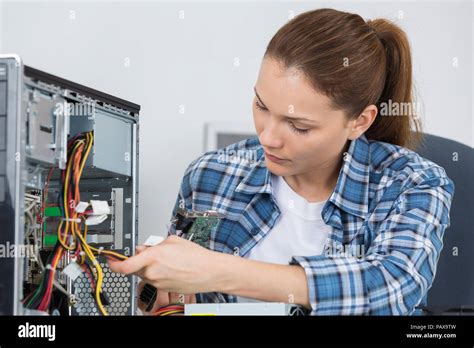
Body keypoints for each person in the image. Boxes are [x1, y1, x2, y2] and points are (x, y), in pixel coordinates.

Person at [109, 8, 454, 315]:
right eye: (261, 106)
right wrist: (165, 297)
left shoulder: (412, 183)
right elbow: (176, 299)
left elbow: (391, 288)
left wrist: (215, 270)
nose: (267, 138)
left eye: (298, 125)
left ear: (359, 121)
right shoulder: (210, 176)